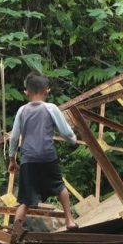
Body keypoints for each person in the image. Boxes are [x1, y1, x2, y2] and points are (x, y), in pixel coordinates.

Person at [8, 72, 79, 231]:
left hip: (28, 159)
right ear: (47, 91)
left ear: (26, 92)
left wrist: (12, 159)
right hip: (47, 156)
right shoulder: (51, 108)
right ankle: (69, 221)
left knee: (25, 200)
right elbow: (65, 131)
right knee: (60, 188)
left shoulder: (22, 111)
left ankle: (15, 231)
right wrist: (73, 139)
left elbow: (14, 137)